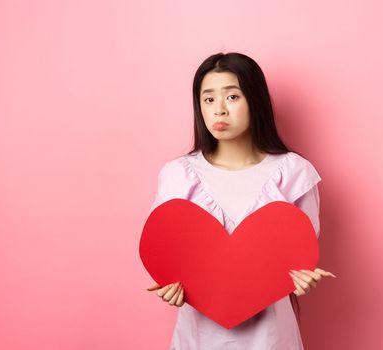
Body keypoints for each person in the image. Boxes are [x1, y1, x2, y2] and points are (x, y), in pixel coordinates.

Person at [144, 52, 337, 349]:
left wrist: (301, 280)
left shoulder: (293, 173)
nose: (219, 110)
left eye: (232, 97)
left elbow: (301, 255)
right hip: (198, 337)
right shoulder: (178, 175)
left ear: (255, 100)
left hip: (271, 339)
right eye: (208, 100)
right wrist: (172, 287)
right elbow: (166, 255)